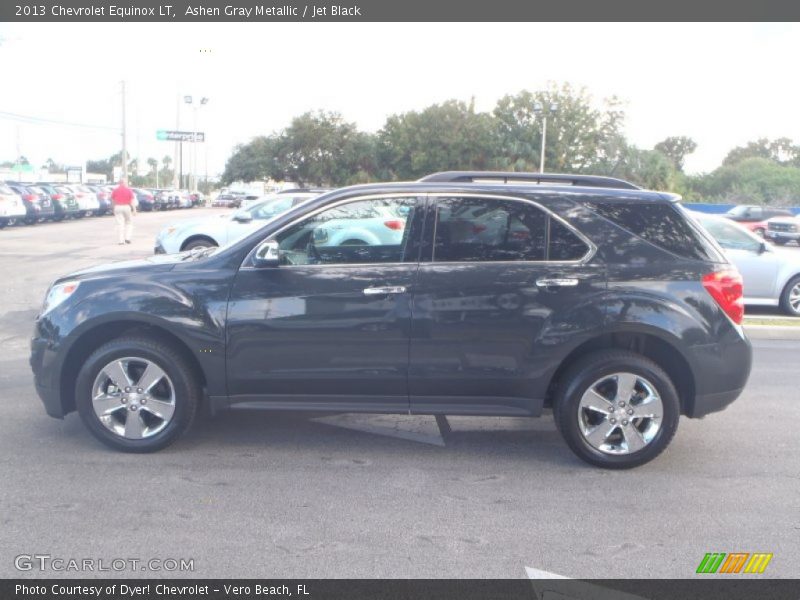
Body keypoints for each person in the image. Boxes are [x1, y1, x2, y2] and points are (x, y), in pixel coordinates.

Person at [111, 178, 136, 244]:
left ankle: (121, 241)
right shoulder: (129, 190)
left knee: (120, 224)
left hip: (118, 207)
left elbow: (113, 200)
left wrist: (113, 208)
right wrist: (134, 210)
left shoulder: (115, 190)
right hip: (127, 207)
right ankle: (127, 238)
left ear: (119, 183)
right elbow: (132, 201)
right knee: (129, 223)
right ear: (125, 183)